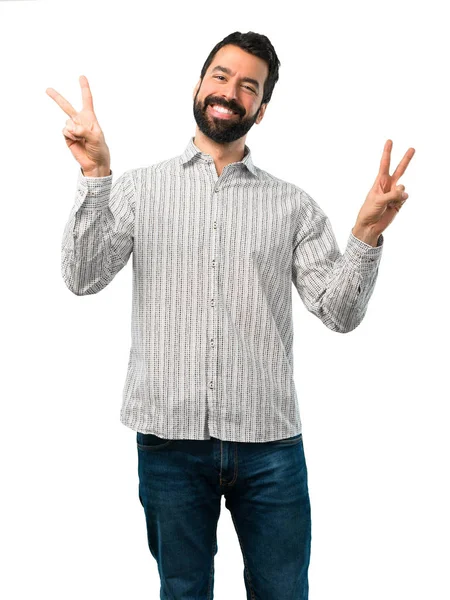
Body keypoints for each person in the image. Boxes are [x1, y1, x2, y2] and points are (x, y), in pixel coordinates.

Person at [47, 31, 414, 600]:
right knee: (183, 591)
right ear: (199, 86)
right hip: (167, 443)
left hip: (271, 448)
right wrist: (97, 174)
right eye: (220, 76)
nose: (230, 92)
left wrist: (365, 232)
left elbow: (339, 313)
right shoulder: (140, 190)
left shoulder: (294, 206)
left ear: (260, 110)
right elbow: (82, 276)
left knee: (283, 592)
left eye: (249, 86)